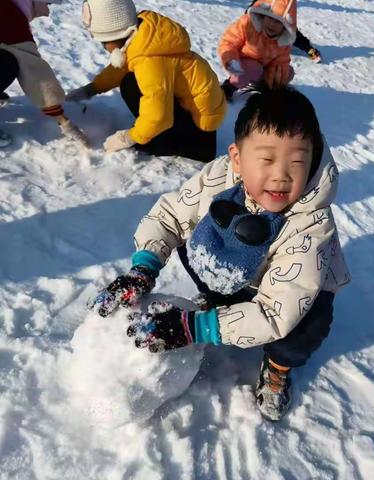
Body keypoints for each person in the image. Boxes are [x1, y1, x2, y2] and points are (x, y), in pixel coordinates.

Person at [87, 84, 351, 421]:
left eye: (297, 162)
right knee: (195, 236)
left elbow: (276, 312)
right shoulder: (218, 178)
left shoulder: (310, 224)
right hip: (239, 273)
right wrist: (144, 267)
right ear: (238, 159)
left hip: (293, 299)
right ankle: (219, 304)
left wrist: (195, 329)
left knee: (302, 328)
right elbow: (169, 215)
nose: (281, 176)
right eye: (267, 159)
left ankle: (277, 368)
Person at [67, 0, 226, 162]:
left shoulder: (151, 61)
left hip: (200, 136)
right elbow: (122, 66)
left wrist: (129, 137)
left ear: (114, 35)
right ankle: (158, 133)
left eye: (103, 43)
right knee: (130, 81)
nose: (104, 47)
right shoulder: (145, 37)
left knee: (131, 85)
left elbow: (159, 116)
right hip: (199, 114)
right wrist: (93, 88)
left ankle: (166, 141)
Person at [0, 0, 88, 145]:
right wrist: (63, 121)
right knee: (8, 63)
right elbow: (37, 74)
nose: (48, 7)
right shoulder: (11, 18)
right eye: (48, 3)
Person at [218, 0, 297, 102]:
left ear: (285, 26)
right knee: (255, 69)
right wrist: (231, 60)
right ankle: (228, 88)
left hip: (263, 67)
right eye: (270, 17)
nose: (272, 24)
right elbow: (229, 41)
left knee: (287, 72)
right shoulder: (247, 24)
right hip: (240, 63)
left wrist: (272, 84)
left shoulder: (282, 41)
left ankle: (266, 90)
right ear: (263, 15)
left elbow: (281, 62)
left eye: (278, 22)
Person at [245, 0, 322, 63]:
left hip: (282, 14)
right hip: (267, 12)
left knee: (292, 33)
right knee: (255, 24)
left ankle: (309, 49)